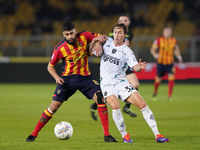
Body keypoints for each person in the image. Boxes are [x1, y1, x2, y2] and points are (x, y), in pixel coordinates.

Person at [26, 22, 117, 142]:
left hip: (86, 77)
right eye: (67, 34)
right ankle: (34, 134)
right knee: (53, 107)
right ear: (63, 34)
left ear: (76, 31)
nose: (70, 37)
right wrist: (56, 78)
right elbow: (50, 66)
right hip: (67, 80)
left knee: (100, 97)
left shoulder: (84, 36)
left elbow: (103, 36)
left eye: (71, 33)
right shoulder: (60, 48)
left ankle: (107, 135)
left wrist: (98, 43)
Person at [92, 23, 169, 143]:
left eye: (120, 33)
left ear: (125, 35)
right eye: (115, 32)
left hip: (122, 83)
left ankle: (157, 135)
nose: (117, 35)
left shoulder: (126, 51)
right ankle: (125, 136)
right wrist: (96, 42)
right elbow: (92, 47)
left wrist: (140, 66)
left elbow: (135, 67)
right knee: (116, 106)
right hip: (107, 84)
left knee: (143, 104)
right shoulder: (105, 43)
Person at [90, 14, 139, 120]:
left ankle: (126, 107)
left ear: (129, 22)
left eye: (125, 20)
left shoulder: (130, 33)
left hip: (124, 63)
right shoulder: (113, 34)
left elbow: (126, 46)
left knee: (135, 84)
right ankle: (95, 105)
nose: (124, 22)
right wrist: (98, 42)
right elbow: (104, 40)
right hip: (113, 65)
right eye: (121, 20)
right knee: (109, 93)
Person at [150, 26, 183, 101]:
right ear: (163, 32)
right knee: (158, 79)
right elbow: (152, 49)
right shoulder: (158, 40)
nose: (168, 33)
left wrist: (179, 57)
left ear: (171, 32)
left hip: (170, 63)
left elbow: (176, 49)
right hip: (161, 63)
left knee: (171, 77)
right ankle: (155, 93)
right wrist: (155, 54)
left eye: (169, 31)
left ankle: (169, 96)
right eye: (166, 31)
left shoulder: (173, 40)